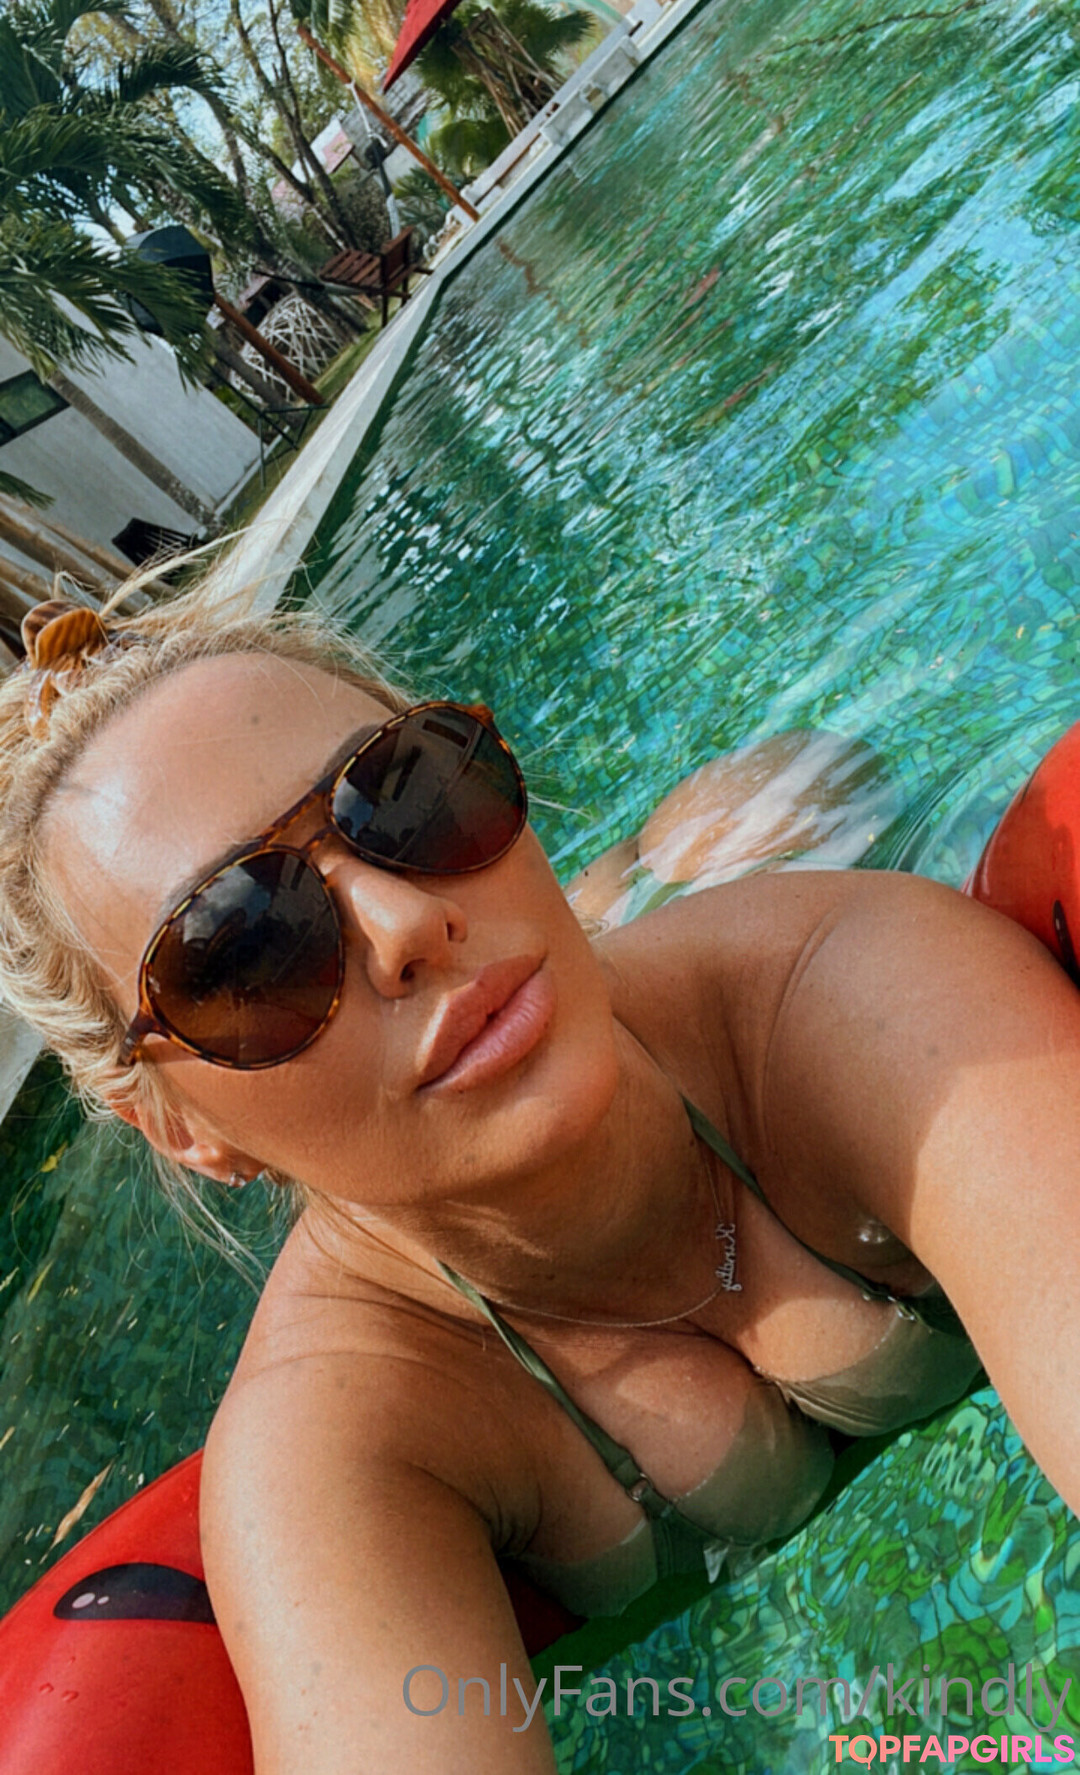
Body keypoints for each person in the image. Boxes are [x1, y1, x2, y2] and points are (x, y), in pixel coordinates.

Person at [1, 581, 1078, 1775]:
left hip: (759, 894)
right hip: (570, 996)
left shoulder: (861, 991)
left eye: (407, 792)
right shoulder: (346, 1438)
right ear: (182, 1128)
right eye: (244, 946)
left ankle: (651, 865)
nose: (407, 921)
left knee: (789, 797)